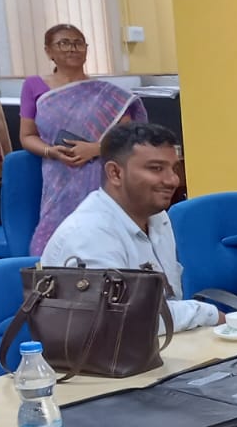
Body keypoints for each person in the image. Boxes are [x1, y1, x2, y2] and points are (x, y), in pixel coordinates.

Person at [41, 122, 219, 332]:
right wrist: (208, 314)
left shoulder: (158, 218)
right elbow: (121, 321)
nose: (172, 180)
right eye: (156, 168)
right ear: (115, 173)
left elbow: (166, 302)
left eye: (174, 168)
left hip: (159, 344)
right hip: (105, 350)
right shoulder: (88, 233)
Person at [19, 23, 147, 254]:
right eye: (63, 43)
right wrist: (51, 151)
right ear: (48, 51)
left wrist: (96, 149)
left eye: (78, 43)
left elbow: (128, 136)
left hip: (104, 173)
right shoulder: (34, 86)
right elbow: (27, 136)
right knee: (52, 243)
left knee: (106, 239)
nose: (72, 48)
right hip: (59, 176)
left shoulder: (107, 93)